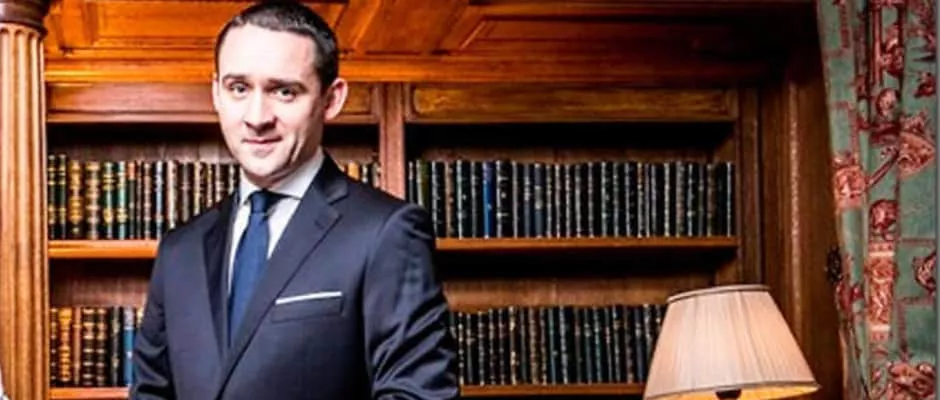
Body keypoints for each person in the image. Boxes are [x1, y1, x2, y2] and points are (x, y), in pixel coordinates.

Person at [130, 2, 459, 399]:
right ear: (216, 92)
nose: (257, 117)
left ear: (331, 99)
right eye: (238, 88)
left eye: (284, 91)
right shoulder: (179, 250)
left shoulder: (386, 232)